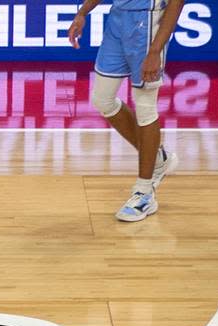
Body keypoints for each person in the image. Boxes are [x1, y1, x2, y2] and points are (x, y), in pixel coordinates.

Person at [69, 0, 184, 222]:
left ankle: (144, 192)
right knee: (102, 99)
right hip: (118, 21)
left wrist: (155, 50)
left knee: (145, 107)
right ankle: (159, 158)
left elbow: (177, 3)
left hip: (148, 23)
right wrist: (83, 12)